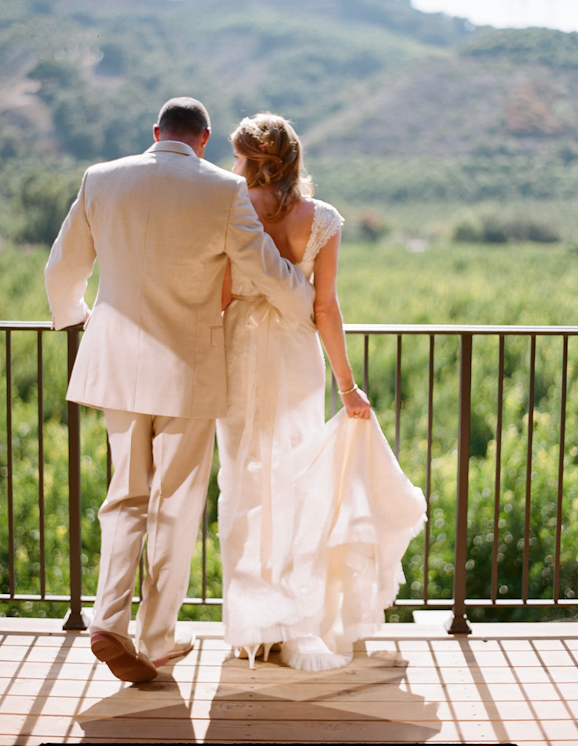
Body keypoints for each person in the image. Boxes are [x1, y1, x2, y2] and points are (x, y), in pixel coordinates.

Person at [45, 98, 316, 683]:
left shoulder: (101, 179)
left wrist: (77, 317)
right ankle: (159, 637)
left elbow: (63, 267)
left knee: (124, 495)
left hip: (114, 361)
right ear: (205, 138)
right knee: (176, 503)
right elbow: (266, 270)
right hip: (189, 367)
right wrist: (307, 303)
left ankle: (107, 620)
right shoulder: (223, 191)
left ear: (155, 133)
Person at [217, 113, 426, 671]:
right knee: (296, 483)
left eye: (238, 156)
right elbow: (325, 307)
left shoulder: (229, 209)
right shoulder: (324, 220)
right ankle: (294, 620)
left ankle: (253, 628)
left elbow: (218, 296)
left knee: (242, 486)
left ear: (249, 160)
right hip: (297, 359)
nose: (233, 166)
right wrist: (348, 386)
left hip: (238, 355)